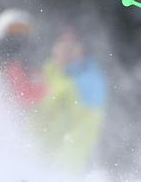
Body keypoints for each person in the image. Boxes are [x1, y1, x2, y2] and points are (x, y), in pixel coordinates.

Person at [34, 26, 108, 172]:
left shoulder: (89, 79)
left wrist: (62, 170)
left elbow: (83, 133)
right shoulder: (49, 70)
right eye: (62, 42)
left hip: (63, 165)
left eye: (72, 44)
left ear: (82, 49)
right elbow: (32, 113)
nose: (65, 49)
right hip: (35, 153)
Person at [0, 8, 45, 108]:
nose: (18, 39)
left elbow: (38, 101)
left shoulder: (26, 72)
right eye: (13, 32)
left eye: (23, 35)